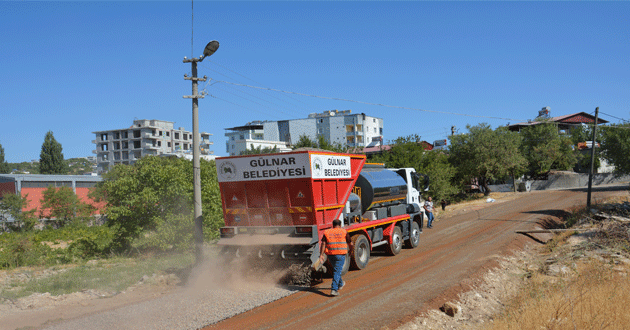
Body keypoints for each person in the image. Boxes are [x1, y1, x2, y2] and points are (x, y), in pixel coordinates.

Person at [319, 219, 353, 296]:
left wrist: (321, 255)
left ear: (332, 225)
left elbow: (323, 244)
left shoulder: (327, 232)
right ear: (340, 225)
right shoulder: (344, 232)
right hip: (340, 255)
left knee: (336, 270)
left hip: (331, 255)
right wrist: (350, 250)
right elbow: (350, 243)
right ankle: (334, 289)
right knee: (337, 271)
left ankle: (340, 283)